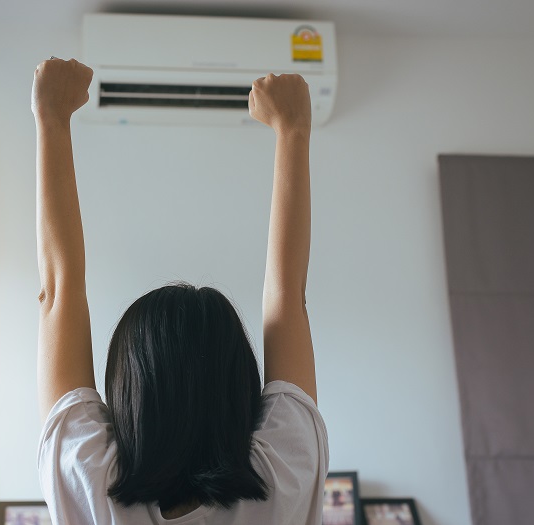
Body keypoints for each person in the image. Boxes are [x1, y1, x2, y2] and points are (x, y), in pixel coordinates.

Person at [32, 57, 328, 524]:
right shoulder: (282, 474)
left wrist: (50, 117)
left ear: (128, 386)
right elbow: (289, 295)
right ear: (240, 383)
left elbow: (57, 293)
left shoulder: (89, 478)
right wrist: (293, 131)